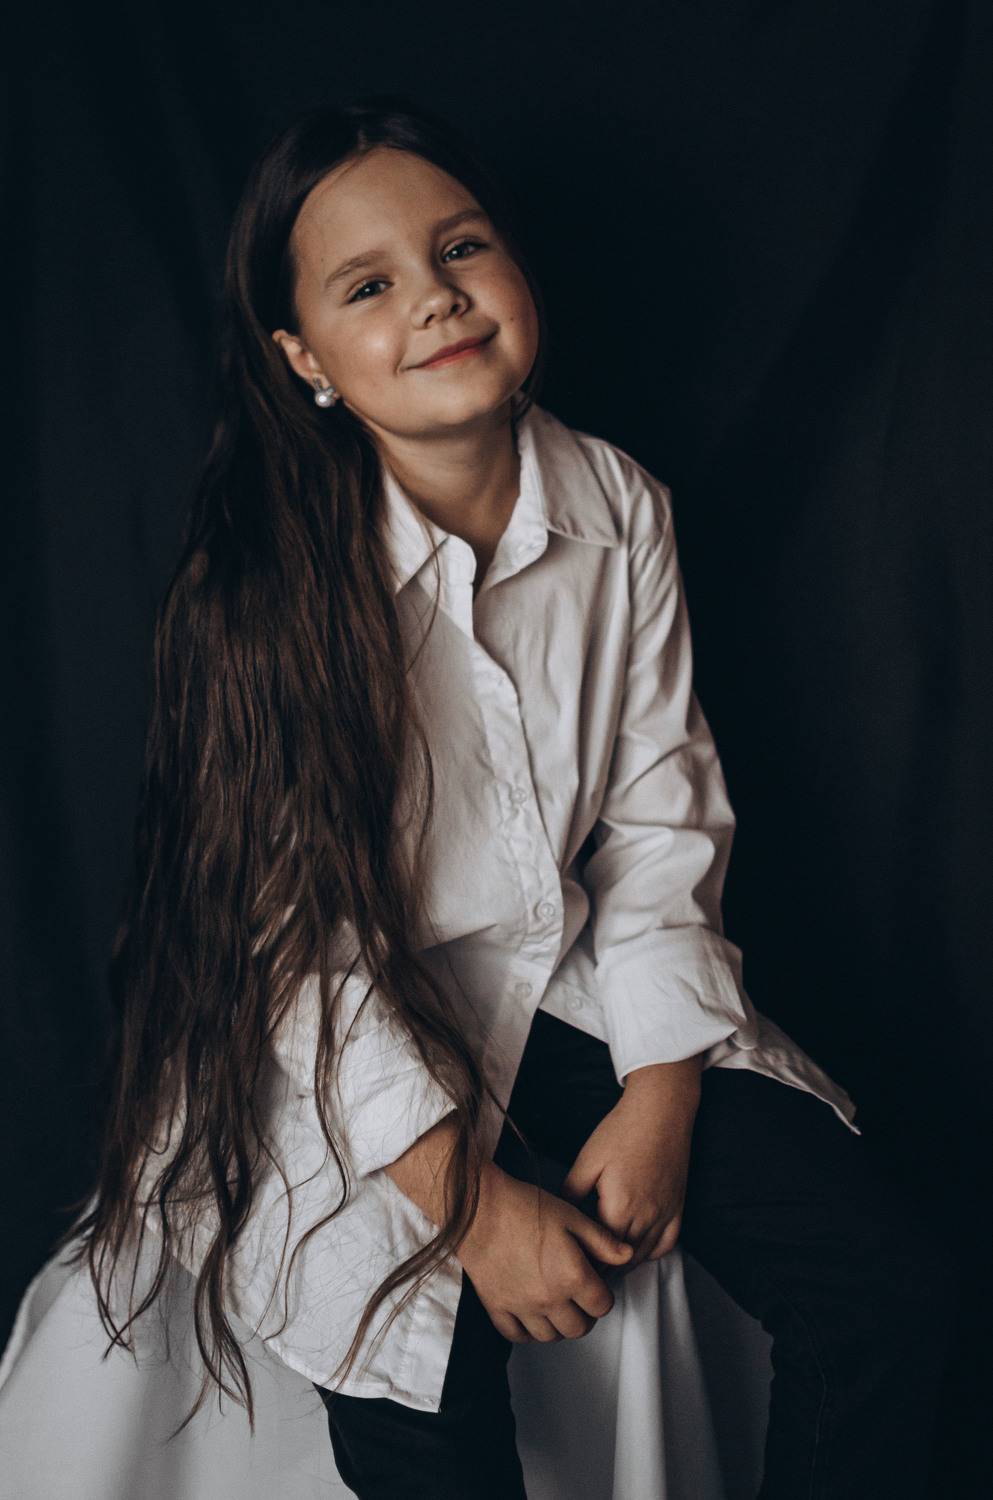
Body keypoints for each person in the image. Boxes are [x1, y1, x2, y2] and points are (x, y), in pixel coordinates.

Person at [63, 93, 953, 1499]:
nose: (434, 297)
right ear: (303, 357)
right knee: (417, 1381)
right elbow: (299, 954)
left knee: (891, 1292)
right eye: (367, 286)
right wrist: (472, 1213)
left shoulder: (619, 506)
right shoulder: (266, 589)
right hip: (333, 1040)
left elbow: (659, 822)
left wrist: (661, 1095)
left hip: (565, 988)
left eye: (460, 248)